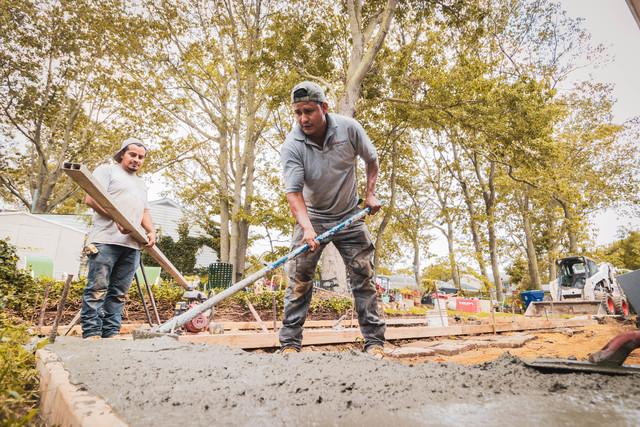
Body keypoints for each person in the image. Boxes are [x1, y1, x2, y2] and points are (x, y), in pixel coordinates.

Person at [279, 81, 386, 357]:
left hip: (350, 215)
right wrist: (306, 229)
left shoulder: (349, 129)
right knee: (299, 279)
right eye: (298, 112)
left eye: (309, 111)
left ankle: (374, 343)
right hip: (313, 217)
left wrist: (370, 194)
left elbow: (371, 160)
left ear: (324, 108)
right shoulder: (292, 145)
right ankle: (290, 344)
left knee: (363, 277)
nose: (303, 118)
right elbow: (293, 194)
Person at [81, 137, 156, 339]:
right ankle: (92, 333)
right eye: (132, 155)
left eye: (141, 157)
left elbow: (144, 211)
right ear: (122, 153)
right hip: (106, 241)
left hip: (132, 245)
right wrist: (117, 218)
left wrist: (151, 231)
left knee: (118, 293)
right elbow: (90, 198)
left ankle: (111, 333)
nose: (136, 160)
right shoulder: (107, 171)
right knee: (97, 289)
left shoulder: (141, 184)